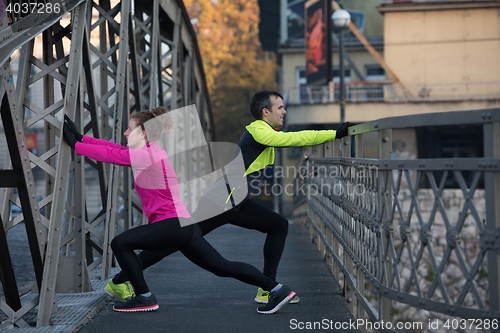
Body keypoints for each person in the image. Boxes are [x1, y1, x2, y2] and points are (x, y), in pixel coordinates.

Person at [99, 91, 355, 305]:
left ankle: (268, 288)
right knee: (179, 244)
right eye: (280, 107)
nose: (284, 112)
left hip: (232, 201)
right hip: (222, 201)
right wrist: (334, 133)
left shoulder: (261, 132)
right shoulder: (258, 130)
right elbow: (292, 139)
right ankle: (121, 280)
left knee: (277, 225)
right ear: (265, 112)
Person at [62, 108, 296, 314]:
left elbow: (113, 156)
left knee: (120, 243)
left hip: (171, 224)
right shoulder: (151, 151)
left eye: (129, 129)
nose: (125, 133)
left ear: (143, 133)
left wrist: (77, 146)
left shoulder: (147, 154)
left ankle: (144, 297)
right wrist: (82, 139)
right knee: (222, 266)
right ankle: (277, 289)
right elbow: (115, 149)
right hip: (184, 225)